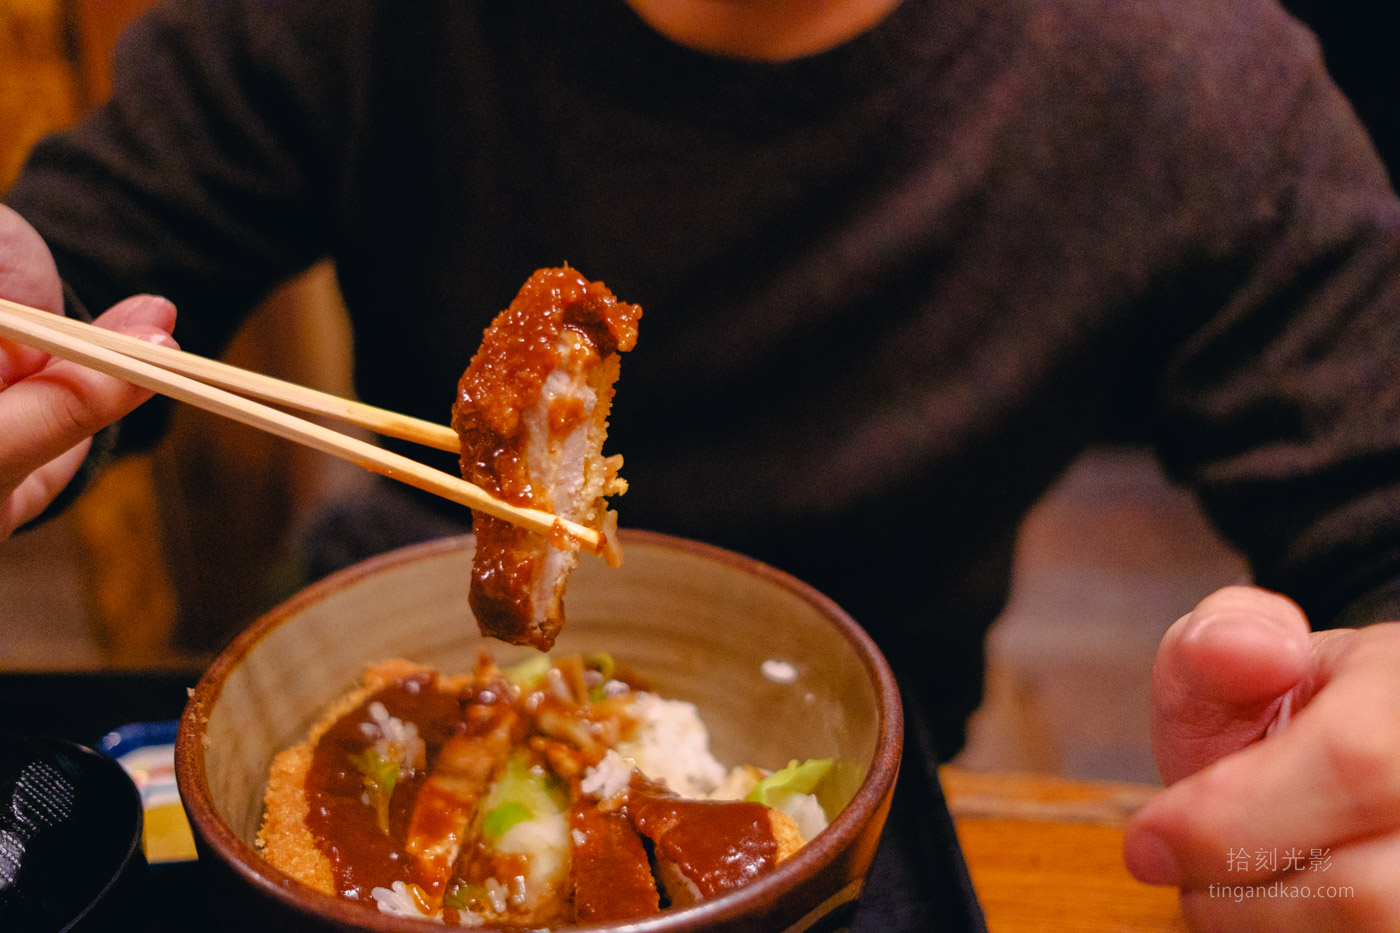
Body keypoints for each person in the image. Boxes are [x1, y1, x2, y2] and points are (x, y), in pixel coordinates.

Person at [3, 1, 1400, 928]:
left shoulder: (1189, 79)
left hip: (885, 783)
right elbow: (93, 267)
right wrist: (38, 353)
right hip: (395, 609)